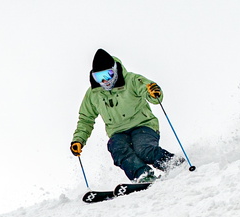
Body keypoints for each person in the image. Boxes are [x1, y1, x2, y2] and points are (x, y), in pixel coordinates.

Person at [70, 49, 181, 182]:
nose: (105, 81)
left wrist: (153, 92)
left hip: (143, 125)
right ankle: (143, 175)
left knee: (143, 149)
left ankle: (173, 163)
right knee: (117, 148)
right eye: (99, 77)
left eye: (108, 75)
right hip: (118, 132)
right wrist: (79, 140)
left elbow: (148, 89)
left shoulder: (132, 80)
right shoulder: (93, 94)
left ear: (115, 70)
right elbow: (86, 119)